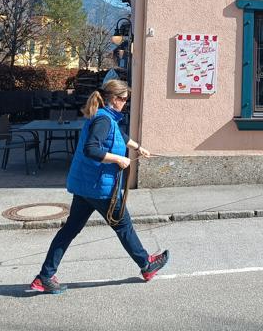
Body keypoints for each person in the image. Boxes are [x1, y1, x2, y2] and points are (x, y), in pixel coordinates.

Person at [30, 79, 168, 293]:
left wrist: (138, 147)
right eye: (124, 99)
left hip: (86, 186)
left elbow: (119, 135)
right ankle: (146, 265)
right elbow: (91, 149)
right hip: (100, 188)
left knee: (70, 230)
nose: (126, 103)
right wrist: (119, 159)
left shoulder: (105, 116)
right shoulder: (103, 120)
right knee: (123, 227)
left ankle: (45, 276)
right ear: (114, 99)